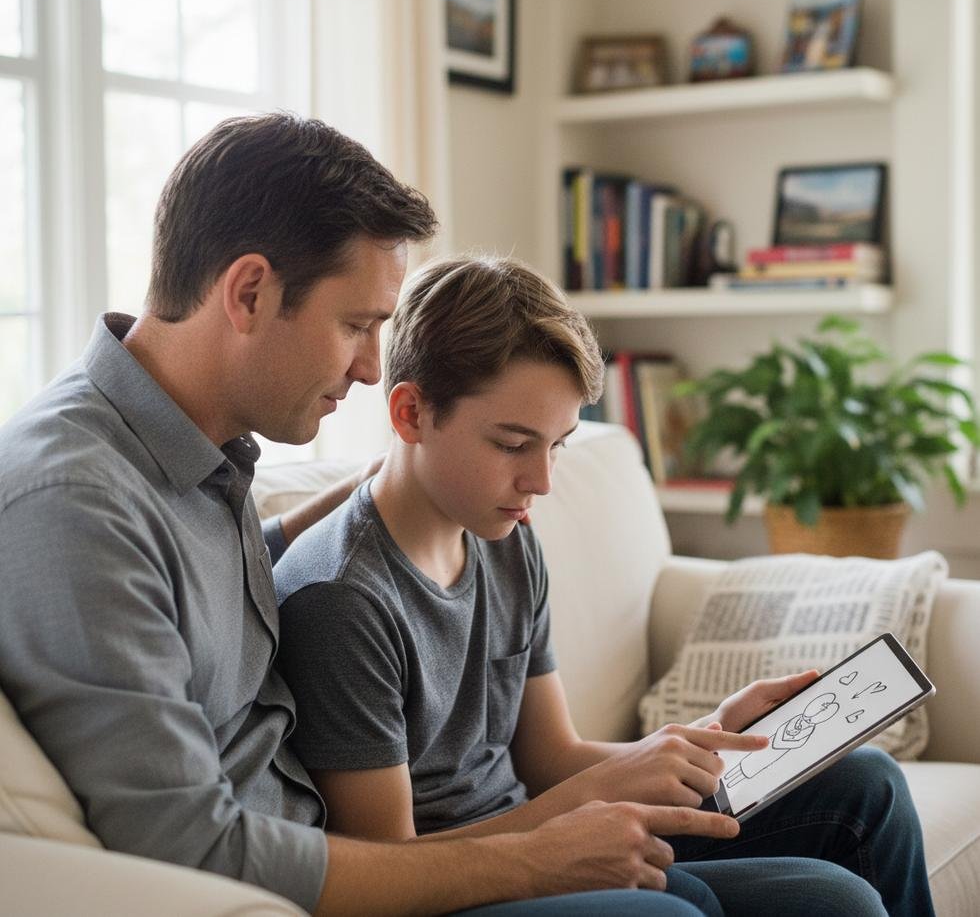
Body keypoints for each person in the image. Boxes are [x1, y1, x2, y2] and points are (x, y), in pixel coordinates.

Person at [0, 112, 747, 917]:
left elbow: (217, 583)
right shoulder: (78, 503)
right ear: (249, 292)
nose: (366, 367)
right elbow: (194, 846)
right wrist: (533, 859)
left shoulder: (187, 458)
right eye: (356, 325)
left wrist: (398, 491)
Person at [273, 255, 936, 917]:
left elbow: (552, 756)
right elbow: (385, 869)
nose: (543, 481)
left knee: (865, 788)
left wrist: (700, 738)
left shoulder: (505, 538)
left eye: (558, 445)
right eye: (512, 444)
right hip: (453, 885)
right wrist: (579, 817)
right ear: (411, 412)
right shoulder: (342, 598)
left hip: (541, 827)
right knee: (727, 908)